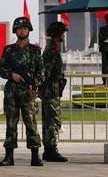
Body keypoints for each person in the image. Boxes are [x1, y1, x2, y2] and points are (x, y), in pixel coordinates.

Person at [0, 17, 44, 166]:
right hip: (12, 92)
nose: (22, 30)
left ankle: (35, 156)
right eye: (19, 28)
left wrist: (34, 84)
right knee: (11, 124)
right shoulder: (8, 50)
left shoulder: (35, 51)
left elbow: (41, 72)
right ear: (15, 31)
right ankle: (9, 156)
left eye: (24, 28)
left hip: (28, 93)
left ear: (29, 30)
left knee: (31, 124)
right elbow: (0, 68)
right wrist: (11, 75)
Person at [41, 22, 68, 162]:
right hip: (51, 91)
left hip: (52, 90)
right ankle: (51, 150)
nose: (64, 35)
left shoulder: (54, 48)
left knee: (50, 121)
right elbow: (45, 73)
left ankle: (49, 150)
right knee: (53, 121)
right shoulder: (52, 50)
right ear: (58, 34)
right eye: (63, 32)